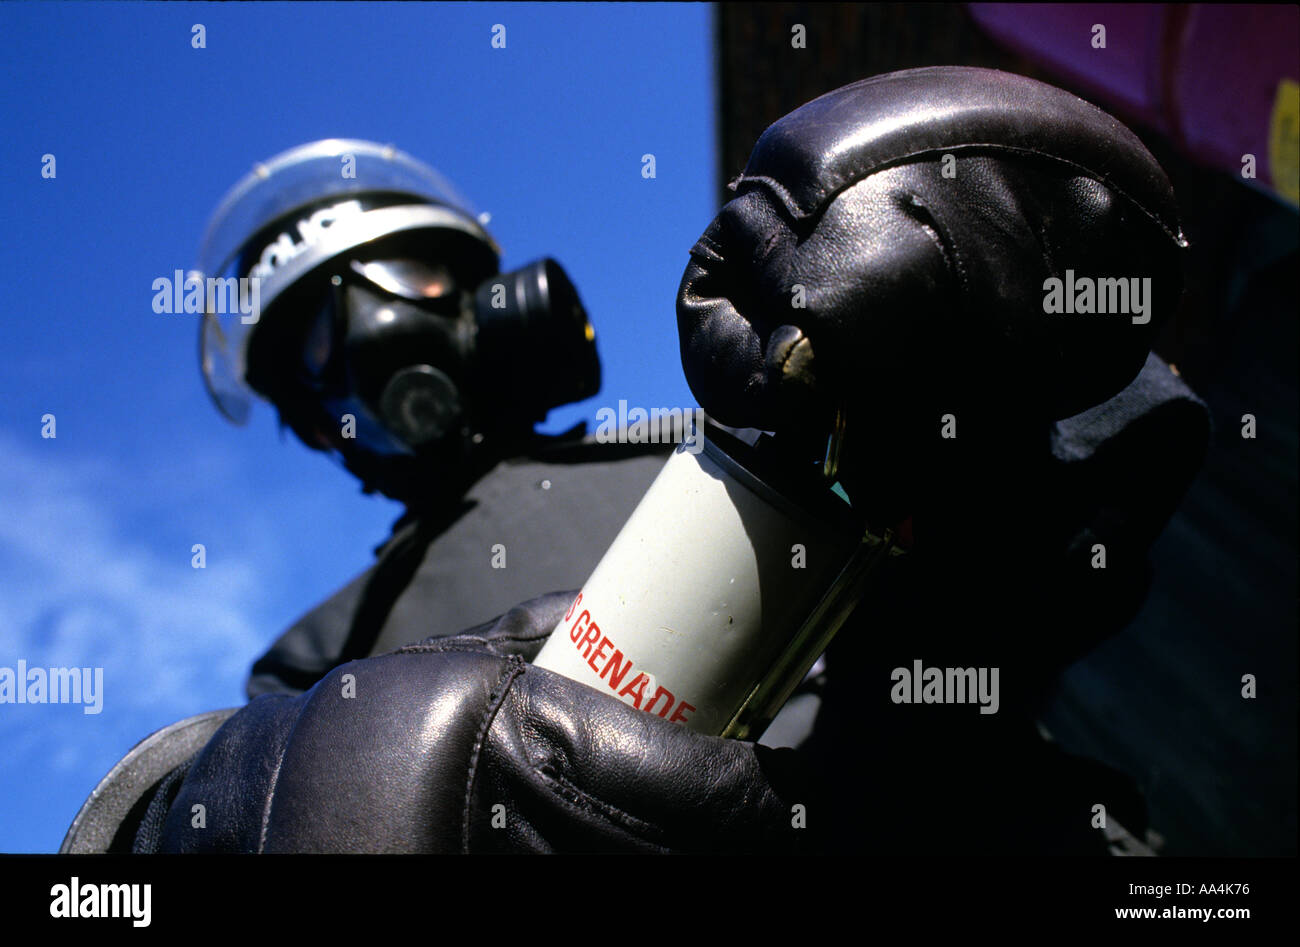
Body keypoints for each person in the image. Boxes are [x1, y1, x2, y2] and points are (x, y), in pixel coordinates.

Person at [64, 68, 1209, 855]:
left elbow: (1070, 524)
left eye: (401, 281)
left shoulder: (734, 423)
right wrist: (235, 806)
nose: (371, 340)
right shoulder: (322, 656)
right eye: (316, 340)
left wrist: (990, 450)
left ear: (487, 293)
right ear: (312, 419)